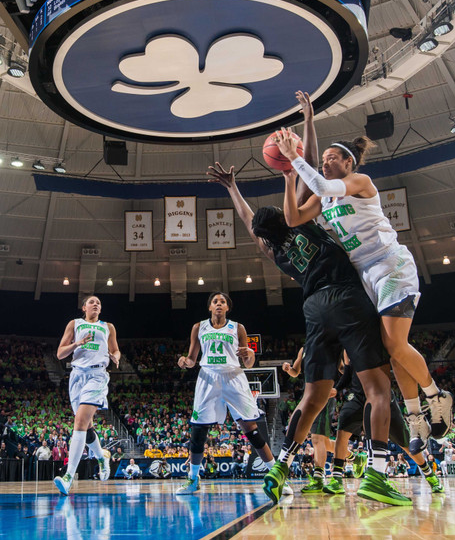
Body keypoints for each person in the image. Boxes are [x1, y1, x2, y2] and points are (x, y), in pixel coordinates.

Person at [208, 153, 409, 506]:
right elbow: (311, 163)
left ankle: (280, 467)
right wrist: (297, 149)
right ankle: (377, 475)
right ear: (284, 217)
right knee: (378, 388)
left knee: (312, 397)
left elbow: (250, 222)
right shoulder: (300, 221)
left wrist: (232, 189)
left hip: (314, 308)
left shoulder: (274, 252)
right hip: (346, 297)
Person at [274, 124, 453, 440]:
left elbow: (320, 184)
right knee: (390, 350)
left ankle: (436, 396)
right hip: (364, 275)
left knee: (395, 344)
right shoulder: (324, 197)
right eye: (323, 160)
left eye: (331, 158)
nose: (325, 163)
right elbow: (292, 218)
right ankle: (414, 415)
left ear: (348, 163)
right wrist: (289, 177)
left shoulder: (360, 182)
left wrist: (295, 157)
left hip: (391, 266)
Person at [175, 292, 278, 495]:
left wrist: (251, 354)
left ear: (227, 308)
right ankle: (193, 480)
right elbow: (192, 359)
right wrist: (185, 361)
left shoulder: (238, 328)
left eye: (222, 302)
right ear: (210, 307)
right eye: (215, 302)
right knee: (198, 431)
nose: (219, 304)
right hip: (208, 377)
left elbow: (248, 363)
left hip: (233, 377)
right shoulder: (198, 327)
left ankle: (277, 475)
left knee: (251, 429)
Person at [330, 354, 443, 496]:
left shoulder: (378, 342)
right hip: (358, 397)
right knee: (342, 430)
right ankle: (336, 479)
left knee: (405, 442)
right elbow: (347, 372)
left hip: (382, 396)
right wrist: (336, 388)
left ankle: (429, 474)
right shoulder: (347, 347)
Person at [53, 295, 121, 495]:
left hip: (97, 375)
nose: (96, 304)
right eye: (92, 302)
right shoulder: (74, 324)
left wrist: (115, 357)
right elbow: (60, 353)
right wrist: (77, 343)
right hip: (77, 376)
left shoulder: (108, 326)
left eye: (98, 302)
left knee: (80, 422)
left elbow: (116, 350)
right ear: (84, 307)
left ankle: (68, 477)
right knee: (87, 427)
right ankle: (102, 456)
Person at [281, 347, 337, 493]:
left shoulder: (331, 343)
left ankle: (319, 477)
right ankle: (350, 455)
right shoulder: (304, 349)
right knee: (323, 442)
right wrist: (288, 369)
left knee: (317, 439)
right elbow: (296, 371)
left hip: (325, 394)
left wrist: (338, 387)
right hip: (309, 395)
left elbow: (344, 369)